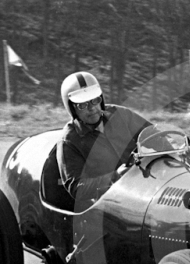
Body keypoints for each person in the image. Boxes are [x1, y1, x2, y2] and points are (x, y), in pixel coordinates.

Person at [55, 71, 152, 211]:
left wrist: (175, 151)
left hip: (143, 189)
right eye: (82, 104)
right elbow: (76, 187)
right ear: (72, 109)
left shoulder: (120, 114)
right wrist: (115, 177)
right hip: (105, 206)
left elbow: (153, 135)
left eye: (95, 100)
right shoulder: (69, 142)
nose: (92, 108)